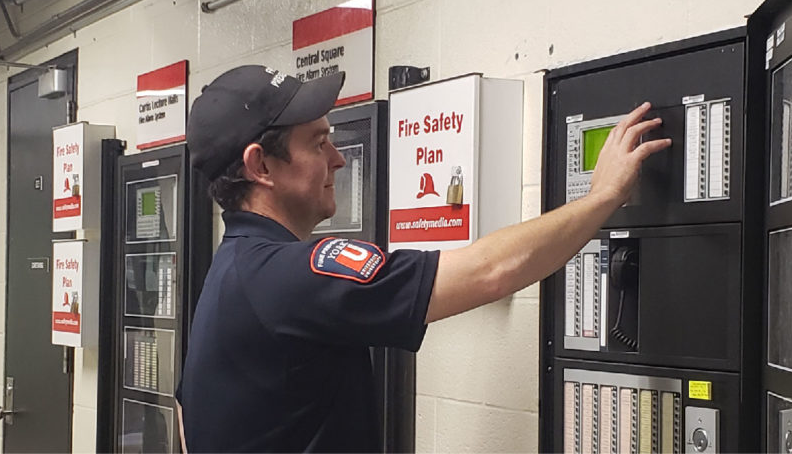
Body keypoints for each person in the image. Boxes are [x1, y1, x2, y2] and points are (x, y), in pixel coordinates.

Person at [176, 65, 670, 452]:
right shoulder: (286, 276)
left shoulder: (230, 275)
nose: (338, 159)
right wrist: (601, 197)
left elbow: (184, 423)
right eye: (319, 143)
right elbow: (490, 271)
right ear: (260, 165)